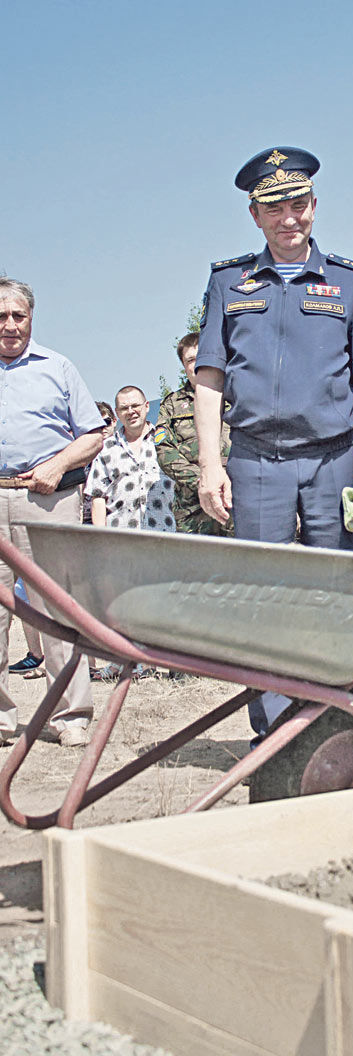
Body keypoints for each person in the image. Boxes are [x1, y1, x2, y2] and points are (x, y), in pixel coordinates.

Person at [194, 145, 353, 738]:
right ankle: (276, 735)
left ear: (315, 206)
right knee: (264, 602)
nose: (290, 218)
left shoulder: (351, 282)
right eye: (275, 207)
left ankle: (337, 727)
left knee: (339, 597)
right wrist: (211, 464)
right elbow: (210, 378)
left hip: (336, 462)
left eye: (299, 204)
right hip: (257, 463)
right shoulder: (229, 281)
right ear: (255, 216)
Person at [0, 278, 102, 747]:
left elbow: (93, 435)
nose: (9, 325)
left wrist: (56, 465)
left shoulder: (57, 368)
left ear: (31, 318)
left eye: (17, 315)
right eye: (1, 316)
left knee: (56, 604)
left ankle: (71, 715)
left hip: (49, 497)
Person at [155, 332, 233, 536]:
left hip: (237, 497)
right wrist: (203, 479)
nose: (196, 364)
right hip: (193, 507)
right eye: (190, 360)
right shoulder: (171, 405)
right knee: (197, 566)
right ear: (183, 366)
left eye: (202, 357)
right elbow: (165, 452)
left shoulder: (237, 396)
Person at [87, 386, 176, 531]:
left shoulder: (168, 442)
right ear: (117, 413)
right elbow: (98, 497)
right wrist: (100, 538)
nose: (130, 411)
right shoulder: (105, 449)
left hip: (165, 536)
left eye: (135, 406)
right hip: (120, 540)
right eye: (124, 408)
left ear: (146, 406)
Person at [82, 402, 115, 523]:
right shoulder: (84, 454)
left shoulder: (122, 452)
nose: (103, 428)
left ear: (114, 421)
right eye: (97, 425)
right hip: (86, 518)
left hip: (112, 517)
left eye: (106, 422)